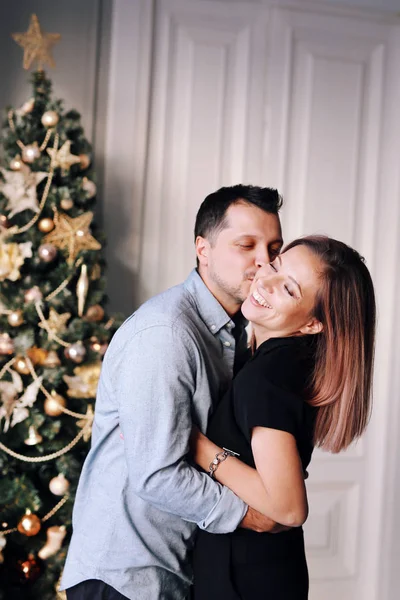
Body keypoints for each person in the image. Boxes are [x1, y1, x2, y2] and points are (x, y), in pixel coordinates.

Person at [61, 185, 285, 600]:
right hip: (125, 577)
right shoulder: (166, 334)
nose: (264, 261)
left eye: (274, 247)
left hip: (171, 573)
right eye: (246, 245)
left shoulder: (235, 333)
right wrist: (253, 516)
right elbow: (157, 473)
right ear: (203, 248)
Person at [190, 235, 376, 600]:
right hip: (258, 570)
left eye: (289, 290)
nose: (265, 282)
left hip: (244, 580)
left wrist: (194, 445)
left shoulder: (268, 377)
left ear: (311, 325)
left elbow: (289, 508)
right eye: (275, 266)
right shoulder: (279, 361)